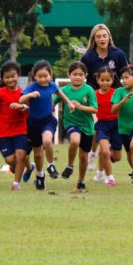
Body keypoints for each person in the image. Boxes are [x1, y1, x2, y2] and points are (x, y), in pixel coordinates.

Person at [19, 60, 74, 190]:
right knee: (37, 154)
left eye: (45, 76)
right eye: (40, 77)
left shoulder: (53, 85)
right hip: (33, 123)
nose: (43, 79)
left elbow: (61, 94)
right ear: (34, 77)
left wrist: (69, 103)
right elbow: (21, 99)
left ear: (50, 74)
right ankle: (40, 175)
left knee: (47, 141)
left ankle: (50, 165)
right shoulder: (32, 87)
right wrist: (30, 95)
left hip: (48, 120)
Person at [0, 61, 31, 191]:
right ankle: (28, 166)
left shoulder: (24, 93)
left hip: (21, 130)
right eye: (7, 77)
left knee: (20, 155)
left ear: (18, 76)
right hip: (3, 133)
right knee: (10, 160)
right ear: (3, 78)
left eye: (12, 76)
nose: (10, 79)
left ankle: (16, 184)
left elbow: (30, 109)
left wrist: (23, 107)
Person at [56, 62, 97, 192]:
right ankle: (69, 166)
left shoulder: (89, 90)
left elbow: (94, 109)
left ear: (85, 76)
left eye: (81, 74)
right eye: (75, 74)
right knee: (74, 140)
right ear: (69, 75)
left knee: (84, 157)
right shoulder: (64, 91)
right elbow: (51, 103)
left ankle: (81, 182)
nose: (78, 77)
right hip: (71, 123)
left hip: (87, 127)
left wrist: (80, 107)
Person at [91, 68, 121, 186]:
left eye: (108, 80)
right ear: (97, 80)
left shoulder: (117, 92)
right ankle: (110, 178)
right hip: (102, 125)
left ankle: (99, 172)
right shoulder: (94, 94)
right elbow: (92, 109)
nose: (105, 82)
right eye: (102, 80)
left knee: (117, 157)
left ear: (112, 79)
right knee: (105, 151)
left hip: (117, 124)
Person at [80, 24, 130, 88]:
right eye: (98, 37)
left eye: (104, 36)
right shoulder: (86, 57)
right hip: (94, 95)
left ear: (109, 37)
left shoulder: (119, 54)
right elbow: (80, 76)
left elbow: (129, 75)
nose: (102, 39)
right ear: (94, 39)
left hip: (115, 95)